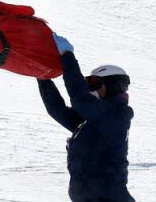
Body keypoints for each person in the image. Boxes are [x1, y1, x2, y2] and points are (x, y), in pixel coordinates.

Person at [38, 34, 135, 202]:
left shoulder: (115, 116)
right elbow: (57, 110)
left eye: (95, 82)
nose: (90, 87)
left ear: (113, 85)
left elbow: (80, 99)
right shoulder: (94, 120)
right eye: (88, 83)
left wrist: (67, 56)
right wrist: (43, 77)